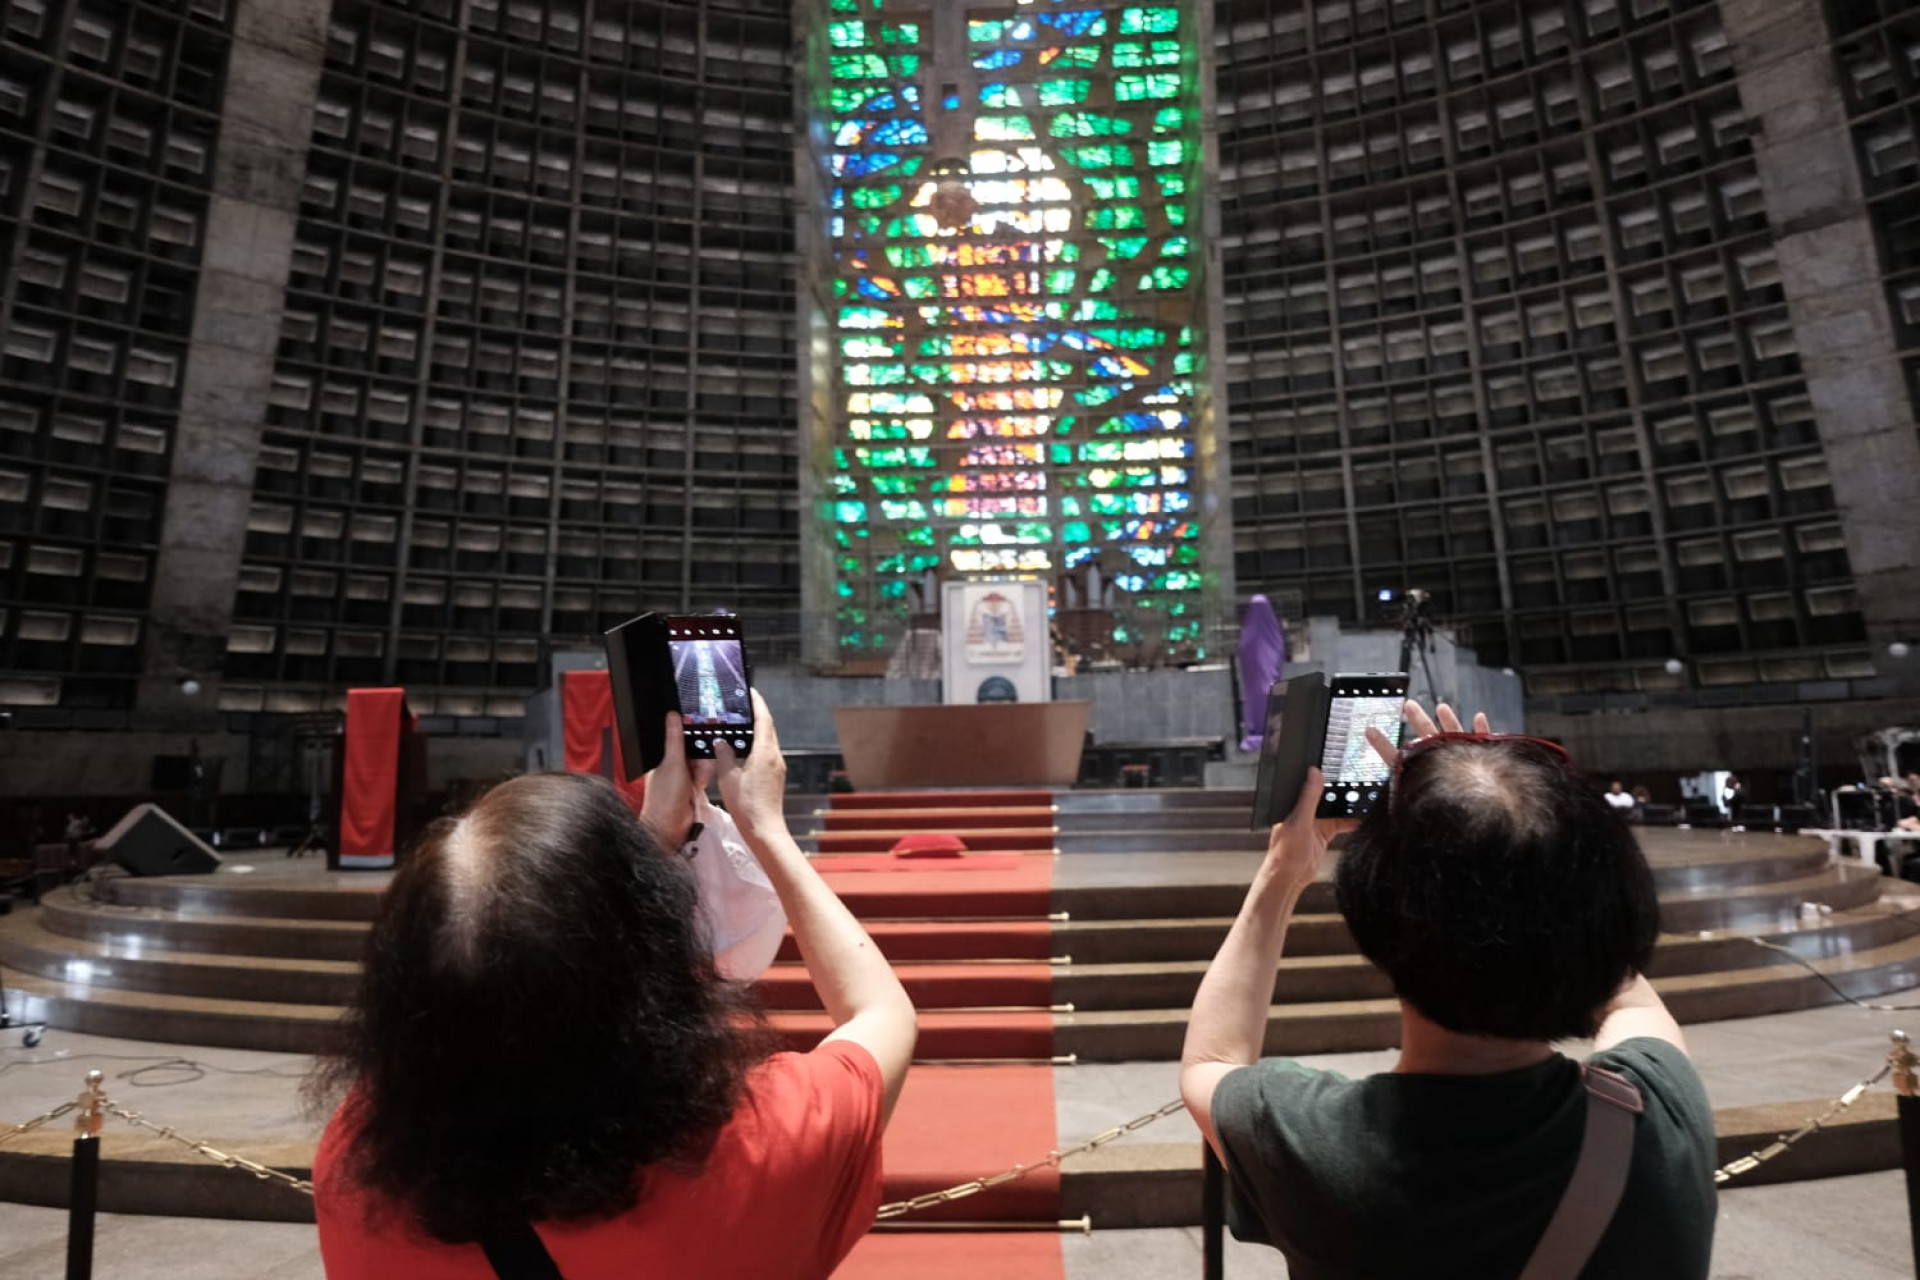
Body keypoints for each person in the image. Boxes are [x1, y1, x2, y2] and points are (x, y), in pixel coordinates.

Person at [311, 693, 916, 1279]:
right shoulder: (764, 1140)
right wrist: (764, 829)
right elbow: (882, 1010)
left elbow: (518, 983)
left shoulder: (355, 1163)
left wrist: (643, 858)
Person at [1181, 701, 1714, 1279]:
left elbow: (1210, 1061)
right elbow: (1625, 988)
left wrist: (1282, 875)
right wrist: (1519, 827)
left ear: (1375, 922)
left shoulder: (1314, 1146)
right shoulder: (1658, 1117)